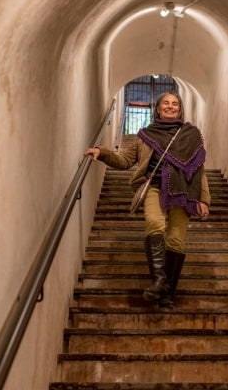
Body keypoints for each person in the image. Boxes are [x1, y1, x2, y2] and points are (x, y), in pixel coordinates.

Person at [84, 92, 210, 307]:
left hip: (185, 191)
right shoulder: (144, 135)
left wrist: (204, 199)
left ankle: (167, 292)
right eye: (166, 104)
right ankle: (160, 280)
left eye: (175, 104)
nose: (170, 107)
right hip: (154, 187)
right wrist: (102, 152)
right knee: (154, 224)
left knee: (176, 240)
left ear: (180, 109)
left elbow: (199, 169)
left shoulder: (191, 134)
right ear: (158, 108)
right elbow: (124, 160)